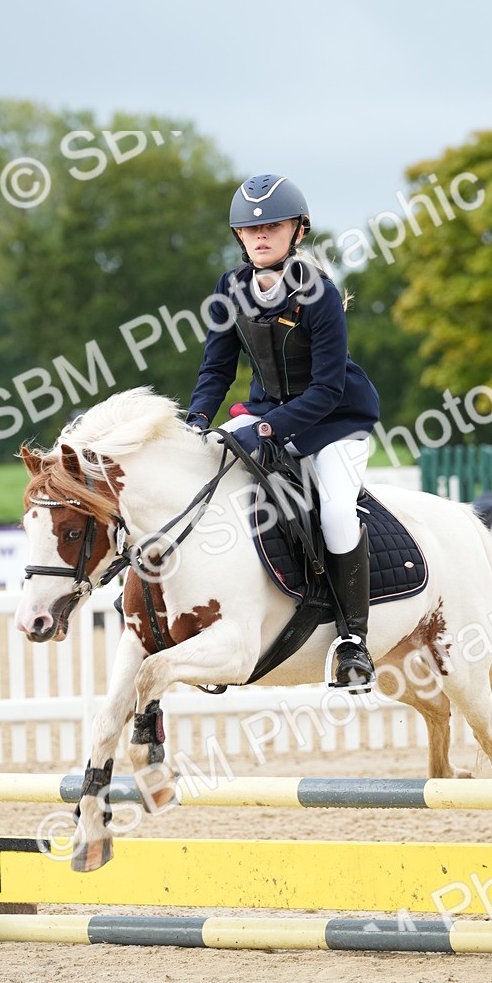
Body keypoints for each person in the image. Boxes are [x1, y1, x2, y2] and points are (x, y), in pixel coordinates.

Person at [186, 173, 380, 687]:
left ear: (298, 230)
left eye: (273, 225)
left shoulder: (318, 292)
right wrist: (197, 419)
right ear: (239, 237)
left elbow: (328, 390)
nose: (261, 236)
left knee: (337, 509)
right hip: (267, 414)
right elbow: (216, 370)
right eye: (251, 231)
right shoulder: (229, 288)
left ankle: (353, 642)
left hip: (335, 420)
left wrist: (269, 428)